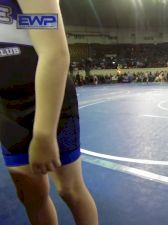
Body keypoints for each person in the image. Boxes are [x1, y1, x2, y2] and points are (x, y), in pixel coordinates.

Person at [0, 1, 98, 225]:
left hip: (49, 100)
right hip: (7, 107)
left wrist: (44, 134)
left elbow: (54, 53)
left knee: (69, 189)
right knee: (29, 194)